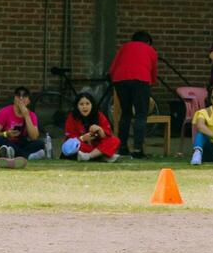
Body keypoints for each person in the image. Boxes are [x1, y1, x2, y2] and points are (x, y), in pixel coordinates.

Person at [110, 30, 157, 158]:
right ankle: (137, 150)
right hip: (141, 79)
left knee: (126, 113)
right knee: (141, 114)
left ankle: (122, 147)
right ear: (148, 42)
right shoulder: (150, 49)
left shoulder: (124, 47)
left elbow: (113, 68)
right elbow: (153, 71)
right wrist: (151, 83)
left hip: (120, 79)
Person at [0, 86, 49, 160]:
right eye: (18, 95)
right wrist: (6, 133)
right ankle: (27, 156)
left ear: (28, 101)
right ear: (14, 98)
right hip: (7, 141)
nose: (21, 98)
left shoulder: (31, 115)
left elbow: (34, 137)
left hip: (20, 143)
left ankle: (13, 154)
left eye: (24, 96)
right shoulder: (4, 111)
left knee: (39, 144)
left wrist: (26, 116)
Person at [62, 92, 121, 162]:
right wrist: (82, 138)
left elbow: (107, 135)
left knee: (115, 140)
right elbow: (69, 139)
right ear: (77, 106)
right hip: (83, 145)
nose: (84, 107)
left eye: (87, 104)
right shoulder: (72, 117)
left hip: (97, 145)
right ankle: (102, 156)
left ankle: (89, 156)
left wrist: (100, 130)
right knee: (75, 147)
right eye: (81, 104)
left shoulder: (99, 115)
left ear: (92, 105)